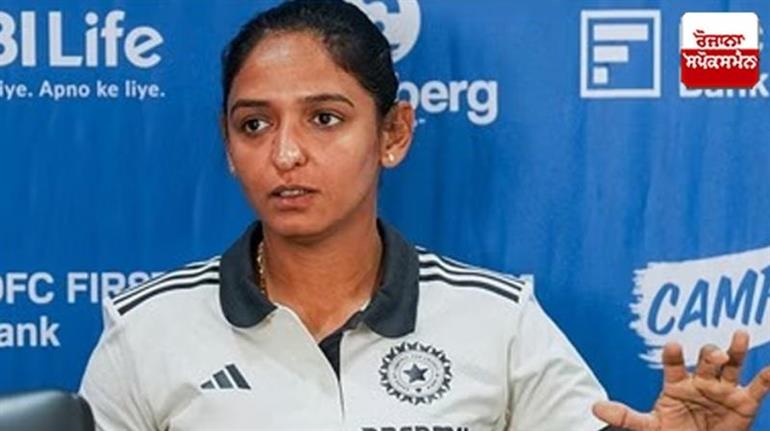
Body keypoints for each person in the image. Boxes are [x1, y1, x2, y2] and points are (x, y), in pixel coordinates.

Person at [79, 1, 770, 430]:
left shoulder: (499, 320)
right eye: (254, 124)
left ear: (394, 133)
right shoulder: (147, 332)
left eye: (325, 118)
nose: (285, 153)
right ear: (229, 146)